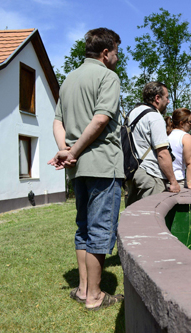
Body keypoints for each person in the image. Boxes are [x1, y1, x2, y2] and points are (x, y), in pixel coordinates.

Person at [47, 28, 124, 310]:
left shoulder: (69, 79)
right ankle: (94, 296)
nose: (117, 57)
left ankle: (82, 290)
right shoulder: (108, 77)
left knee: (83, 228)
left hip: (77, 168)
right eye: (116, 51)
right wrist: (74, 151)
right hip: (103, 164)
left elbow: (57, 122)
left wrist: (66, 151)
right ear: (106, 53)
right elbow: (102, 119)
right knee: (100, 230)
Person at [125, 82, 181, 207]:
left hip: (132, 172)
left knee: (133, 217)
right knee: (149, 217)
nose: (168, 101)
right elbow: (162, 153)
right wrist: (173, 181)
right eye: (166, 98)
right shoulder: (154, 116)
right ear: (157, 98)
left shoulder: (132, 113)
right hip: (150, 174)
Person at [166, 108, 191, 194]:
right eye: (190, 122)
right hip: (178, 180)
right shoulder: (186, 137)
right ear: (182, 123)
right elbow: (189, 163)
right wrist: (190, 184)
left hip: (164, 179)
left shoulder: (167, 134)